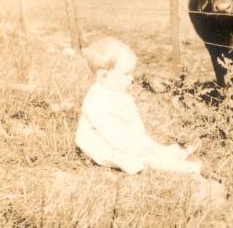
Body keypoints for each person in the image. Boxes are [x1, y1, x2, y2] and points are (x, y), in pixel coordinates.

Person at [75, 36, 202, 175]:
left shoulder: (119, 93)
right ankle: (186, 168)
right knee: (140, 159)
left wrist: (144, 143)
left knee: (148, 149)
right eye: (126, 74)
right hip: (102, 144)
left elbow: (133, 124)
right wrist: (138, 148)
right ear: (104, 76)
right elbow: (112, 135)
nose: (132, 78)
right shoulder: (97, 101)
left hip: (123, 139)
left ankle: (169, 154)